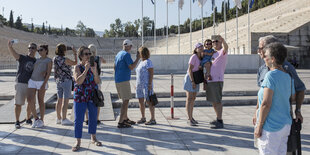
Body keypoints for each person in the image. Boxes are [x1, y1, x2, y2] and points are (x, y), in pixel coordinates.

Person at [254, 35, 305, 128]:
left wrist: (297, 110)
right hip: (264, 118)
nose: (258, 51)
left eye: (260, 48)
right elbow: (261, 93)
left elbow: (300, 89)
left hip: (280, 121)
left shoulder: (287, 68)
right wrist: (256, 111)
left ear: (270, 48)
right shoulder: (262, 69)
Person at [254, 42, 295, 154]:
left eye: (266, 56)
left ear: (272, 59)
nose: (264, 58)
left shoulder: (271, 75)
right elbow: (292, 97)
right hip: (285, 124)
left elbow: (266, 103)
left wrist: (259, 125)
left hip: (271, 126)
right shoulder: (287, 76)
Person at [72, 46, 102, 152]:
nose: (89, 56)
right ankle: (78, 141)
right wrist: (86, 70)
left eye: (89, 54)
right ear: (81, 56)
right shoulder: (77, 67)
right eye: (86, 54)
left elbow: (97, 81)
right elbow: (78, 81)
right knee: (78, 119)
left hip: (91, 95)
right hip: (80, 95)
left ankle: (93, 138)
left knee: (93, 117)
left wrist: (94, 72)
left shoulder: (94, 65)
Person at [7, 40, 37, 129]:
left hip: (31, 84)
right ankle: (17, 121)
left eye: (33, 48)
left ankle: (28, 118)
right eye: (29, 48)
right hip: (21, 82)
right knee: (18, 103)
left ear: (36, 50)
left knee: (30, 103)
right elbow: (15, 54)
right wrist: (10, 47)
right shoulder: (23, 58)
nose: (30, 49)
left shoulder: (36, 61)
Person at [114, 39, 140, 128]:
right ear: (129, 46)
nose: (131, 48)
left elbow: (114, 67)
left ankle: (125, 118)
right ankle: (121, 122)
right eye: (131, 46)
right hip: (124, 80)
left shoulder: (118, 54)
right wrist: (138, 58)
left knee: (124, 99)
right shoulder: (126, 54)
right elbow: (132, 67)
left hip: (118, 79)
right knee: (126, 101)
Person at [27, 45, 52, 128]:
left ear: (46, 50)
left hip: (41, 82)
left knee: (40, 100)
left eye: (41, 50)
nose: (39, 51)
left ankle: (42, 120)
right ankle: (36, 118)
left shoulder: (49, 60)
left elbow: (48, 73)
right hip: (32, 80)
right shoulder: (37, 60)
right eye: (38, 50)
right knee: (30, 99)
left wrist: (44, 83)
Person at [207, 35, 228, 129]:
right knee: (213, 101)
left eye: (216, 41)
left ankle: (220, 121)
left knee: (218, 101)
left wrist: (223, 40)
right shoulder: (213, 54)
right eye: (213, 42)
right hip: (210, 80)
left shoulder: (222, 52)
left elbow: (226, 47)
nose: (214, 43)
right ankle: (217, 118)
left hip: (217, 80)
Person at [53, 43, 77, 125]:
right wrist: (75, 53)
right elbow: (75, 62)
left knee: (59, 100)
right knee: (66, 100)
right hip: (66, 81)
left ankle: (58, 118)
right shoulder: (65, 59)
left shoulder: (55, 59)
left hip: (58, 80)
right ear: (64, 50)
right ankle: (64, 118)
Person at [84, 44, 106, 125]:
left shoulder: (86, 59)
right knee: (97, 98)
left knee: (87, 99)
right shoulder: (99, 58)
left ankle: (87, 119)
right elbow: (105, 61)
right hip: (97, 79)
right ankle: (96, 118)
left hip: (88, 80)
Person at [184, 43, 204, 126]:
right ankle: (189, 118)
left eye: (201, 47)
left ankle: (191, 117)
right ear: (196, 49)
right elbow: (190, 70)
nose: (201, 48)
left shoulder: (201, 57)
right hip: (191, 78)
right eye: (199, 47)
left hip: (196, 78)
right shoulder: (194, 57)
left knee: (193, 98)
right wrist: (192, 81)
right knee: (189, 98)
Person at [136, 46, 156, 125]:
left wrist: (150, 84)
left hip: (146, 85)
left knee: (149, 101)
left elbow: (151, 72)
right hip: (139, 85)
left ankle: (152, 118)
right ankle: (143, 117)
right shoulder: (141, 62)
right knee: (140, 101)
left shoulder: (148, 62)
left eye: (139, 53)